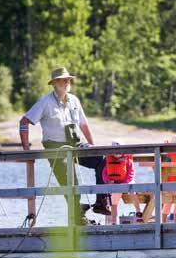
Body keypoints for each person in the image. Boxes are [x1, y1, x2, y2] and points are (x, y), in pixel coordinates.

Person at [19, 66, 110, 225]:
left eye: (68, 80)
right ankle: (79, 217)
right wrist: (26, 149)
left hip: (76, 144)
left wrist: (93, 146)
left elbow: (84, 124)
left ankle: (101, 202)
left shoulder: (74, 100)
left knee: (101, 160)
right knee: (70, 182)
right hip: (56, 147)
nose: (67, 82)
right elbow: (24, 122)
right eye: (63, 80)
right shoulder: (45, 102)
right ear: (54, 83)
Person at [101, 140, 142, 225]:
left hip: (127, 181)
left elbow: (131, 172)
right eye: (115, 151)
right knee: (114, 202)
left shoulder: (127, 159)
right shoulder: (108, 159)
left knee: (132, 191)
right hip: (115, 183)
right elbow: (104, 172)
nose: (117, 153)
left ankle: (138, 212)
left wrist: (126, 183)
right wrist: (107, 181)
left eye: (119, 150)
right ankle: (113, 221)